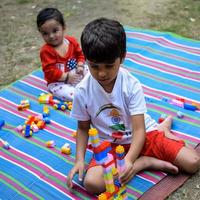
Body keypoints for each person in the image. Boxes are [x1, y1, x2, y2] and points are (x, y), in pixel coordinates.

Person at [66, 18, 200, 194]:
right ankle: (145, 162)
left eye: (108, 65)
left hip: (144, 135)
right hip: (110, 145)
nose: (101, 73)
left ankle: (158, 137)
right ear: (87, 60)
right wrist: (80, 160)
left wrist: (128, 160)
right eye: (94, 66)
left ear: (122, 58)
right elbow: (83, 128)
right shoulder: (82, 90)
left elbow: (139, 131)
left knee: (193, 162)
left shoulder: (131, 85)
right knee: (91, 183)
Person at [37, 7, 86, 101]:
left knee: (90, 71)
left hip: (75, 72)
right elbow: (50, 71)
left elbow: (80, 54)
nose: (51, 36)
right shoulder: (46, 51)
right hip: (58, 83)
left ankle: (90, 86)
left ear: (63, 27)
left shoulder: (71, 42)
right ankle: (82, 96)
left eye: (55, 31)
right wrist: (66, 77)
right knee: (72, 94)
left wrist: (80, 66)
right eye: (45, 33)